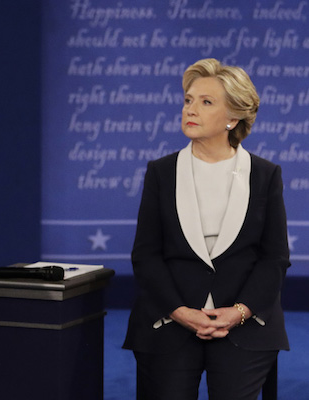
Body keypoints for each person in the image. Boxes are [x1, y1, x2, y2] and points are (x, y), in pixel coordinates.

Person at [123, 58, 290, 400]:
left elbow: (274, 258)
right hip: (171, 322)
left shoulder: (265, 175)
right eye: (188, 100)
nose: (191, 109)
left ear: (232, 118)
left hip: (244, 325)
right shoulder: (161, 172)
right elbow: (146, 255)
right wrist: (180, 312)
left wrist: (239, 312)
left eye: (206, 102)